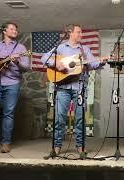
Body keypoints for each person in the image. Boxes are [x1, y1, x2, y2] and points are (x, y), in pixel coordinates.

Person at [41, 24, 107, 155]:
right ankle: (56, 146)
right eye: (78, 32)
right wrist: (56, 64)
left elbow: (92, 63)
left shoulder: (85, 49)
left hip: (80, 88)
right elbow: (44, 58)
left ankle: (80, 146)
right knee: (59, 118)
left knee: (80, 118)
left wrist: (102, 61)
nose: (81, 35)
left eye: (81, 32)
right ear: (70, 33)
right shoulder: (60, 48)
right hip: (62, 87)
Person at [0, 21, 30, 153]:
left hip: (12, 83)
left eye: (16, 29)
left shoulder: (21, 49)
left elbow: (26, 67)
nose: (15, 31)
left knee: (8, 114)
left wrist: (18, 61)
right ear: (4, 31)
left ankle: (6, 143)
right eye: (12, 29)